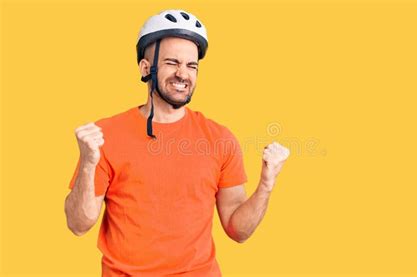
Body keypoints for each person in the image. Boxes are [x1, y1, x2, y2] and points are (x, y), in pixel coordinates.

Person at [64, 9, 290, 276]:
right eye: (172, 62)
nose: (183, 74)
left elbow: (237, 230)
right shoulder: (106, 135)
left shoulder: (219, 138)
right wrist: (89, 164)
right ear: (146, 68)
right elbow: (79, 224)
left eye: (191, 65)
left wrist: (266, 184)